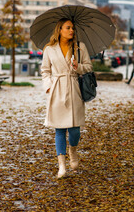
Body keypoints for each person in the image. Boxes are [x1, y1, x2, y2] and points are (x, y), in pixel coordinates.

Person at [40, 18, 93, 178]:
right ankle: (61, 166)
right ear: (60, 29)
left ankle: (73, 149)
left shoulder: (79, 47)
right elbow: (45, 70)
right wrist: (49, 86)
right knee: (59, 129)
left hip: (74, 87)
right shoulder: (49, 49)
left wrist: (78, 67)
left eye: (73, 28)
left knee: (75, 129)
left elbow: (89, 67)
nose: (71, 30)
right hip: (57, 89)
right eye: (68, 28)